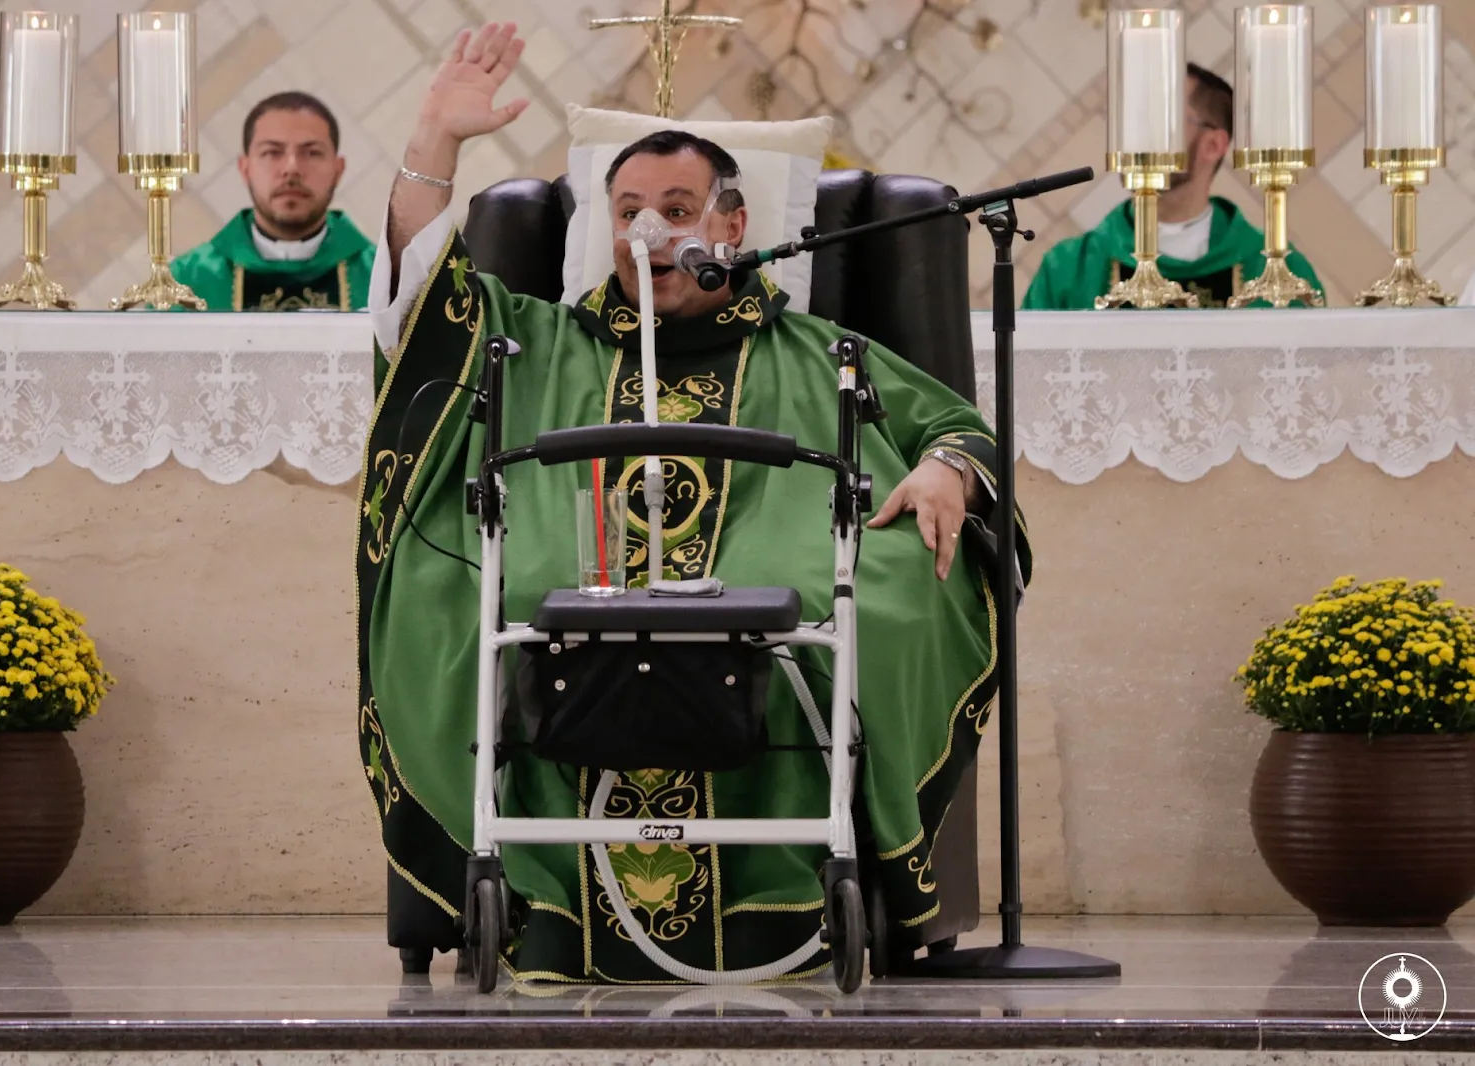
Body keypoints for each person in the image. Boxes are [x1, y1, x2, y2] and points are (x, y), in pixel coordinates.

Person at [356, 21, 1030, 983]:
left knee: (865, 595)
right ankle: (538, 891)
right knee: (470, 592)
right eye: (628, 209)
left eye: (676, 209)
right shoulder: (533, 340)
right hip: (571, 569)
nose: (648, 231)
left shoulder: (822, 352)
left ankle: (796, 889)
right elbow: (423, 303)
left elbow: (953, 426)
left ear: (732, 227)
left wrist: (945, 473)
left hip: (776, 565)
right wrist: (434, 141)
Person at [1023, 63, 1323, 310]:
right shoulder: (1069, 270)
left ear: (1213, 145)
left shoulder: (1280, 274)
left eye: (1160, 119)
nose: (1137, 136)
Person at [171, 92, 374, 311]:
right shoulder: (186, 284)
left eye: (312, 153)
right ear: (245, 168)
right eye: (272, 152)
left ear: (338, 169)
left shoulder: (384, 279)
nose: (292, 168)